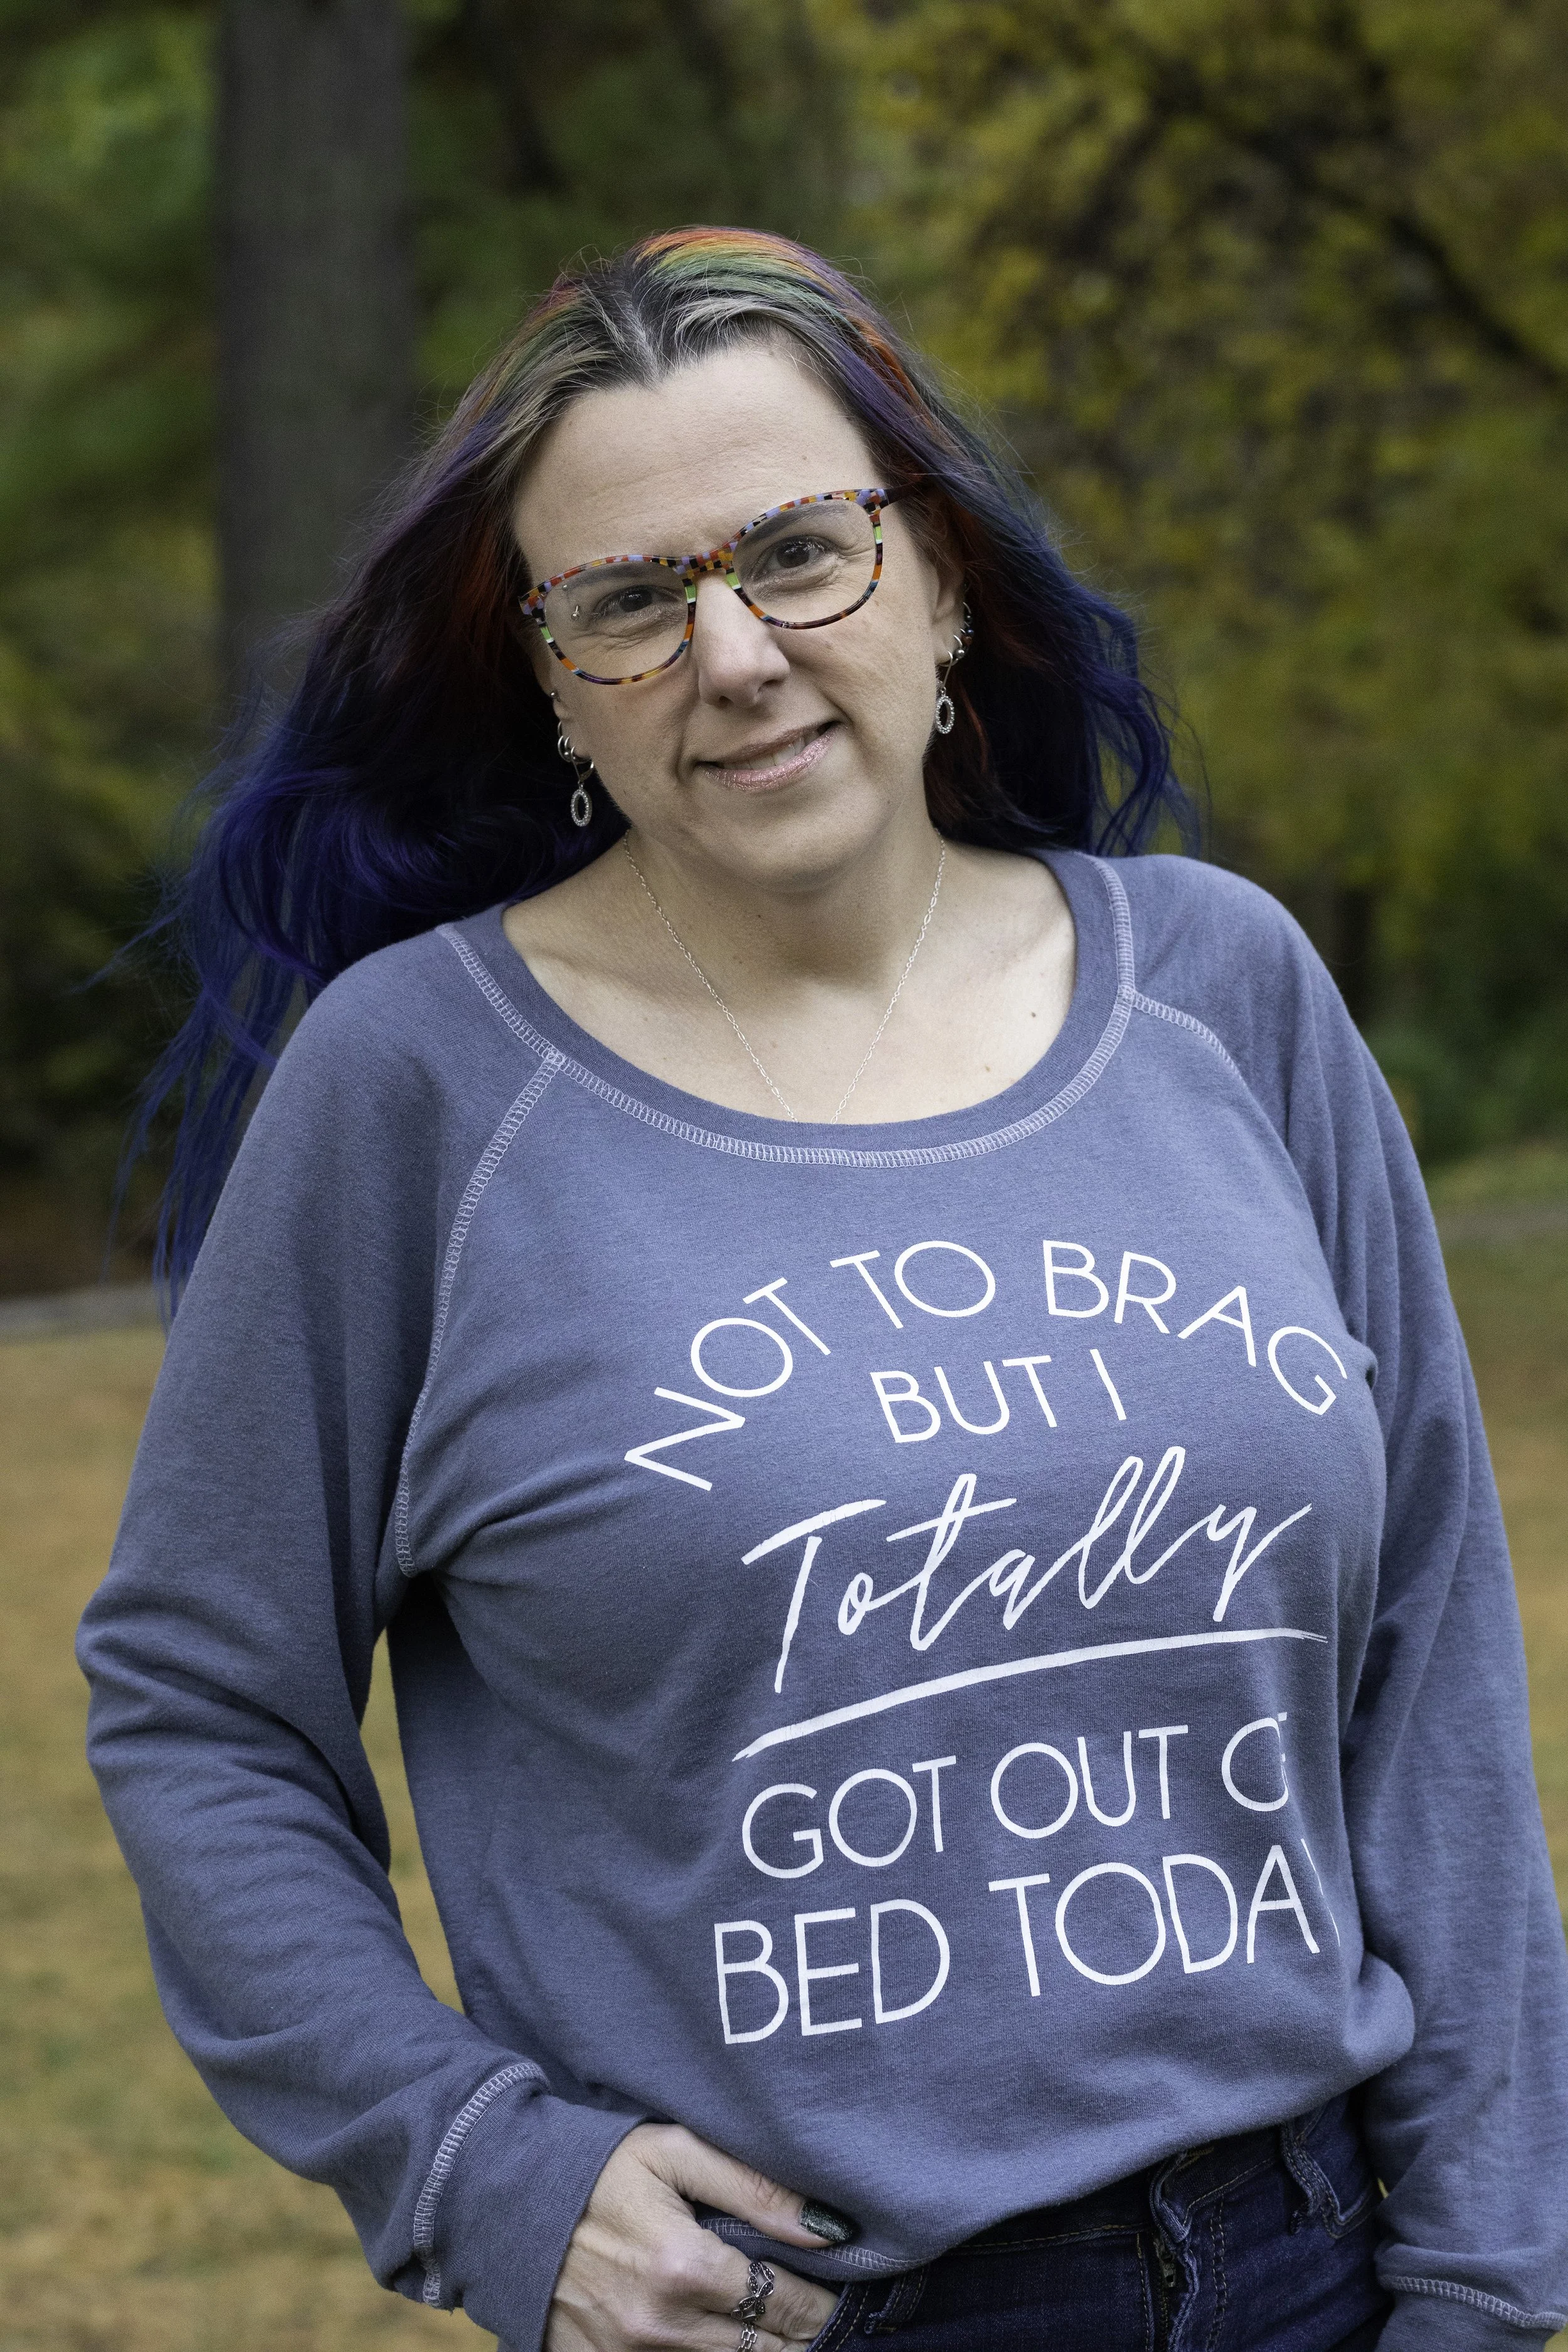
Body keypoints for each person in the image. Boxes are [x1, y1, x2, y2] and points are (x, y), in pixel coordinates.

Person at [79, 226, 1568, 2352]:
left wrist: (1488, 2287)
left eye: (798, 549)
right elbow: (201, 1699)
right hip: (809, 2314)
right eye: (628, 598)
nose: (736, 650)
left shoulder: (1225, 990)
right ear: (551, 679)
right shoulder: (417, 1090)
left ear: (942, 578)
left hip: (1322, 2269)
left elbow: (1428, 1677)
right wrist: (470, 2156)